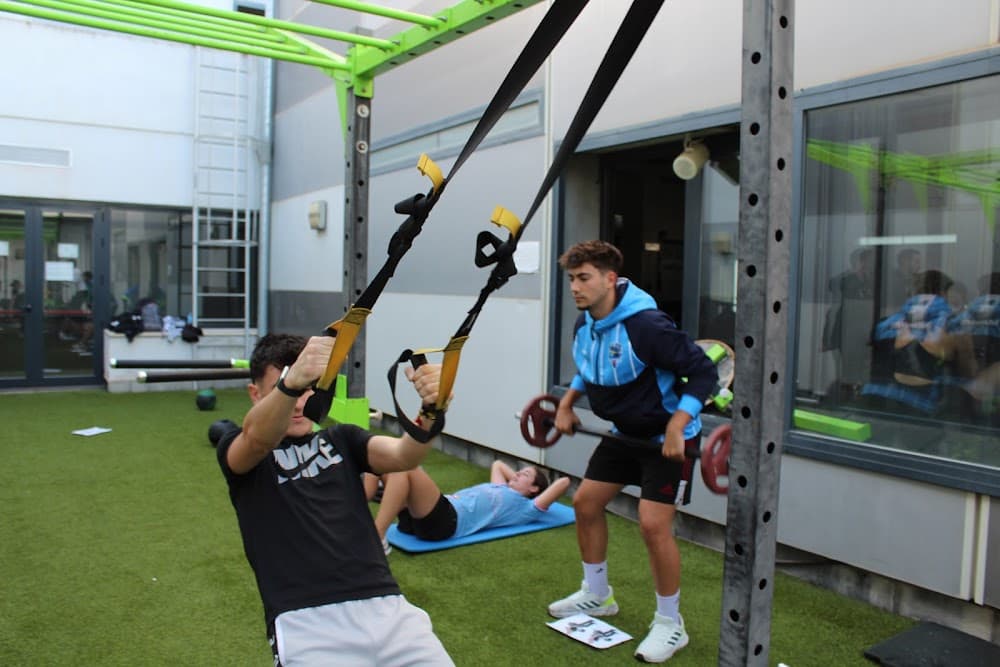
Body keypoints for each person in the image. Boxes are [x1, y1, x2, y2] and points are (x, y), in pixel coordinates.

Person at [216, 333, 454, 666]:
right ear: (255, 395)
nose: (300, 403)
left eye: (309, 388)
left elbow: (404, 455)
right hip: (306, 624)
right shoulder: (241, 449)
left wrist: (431, 411)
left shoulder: (342, 437)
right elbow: (255, 438)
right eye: (286, 390)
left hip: (388, 609)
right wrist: (293, 383)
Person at [547, 240, 718, 664]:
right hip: (625, 433)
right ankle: (597, 594)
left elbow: (703, 372)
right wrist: (567, 404)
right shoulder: (585, 324)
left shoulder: (648, 326)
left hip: (667, 441)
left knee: (652, 525)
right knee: (585, 503)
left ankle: (669, 624)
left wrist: (679, 425)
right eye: (571, 279)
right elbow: (590, 369)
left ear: (610, 278)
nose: (575, 288)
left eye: (583, 278)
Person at [368, 461, 571, 550]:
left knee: (408, 467)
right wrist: (517, 481)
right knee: (391, 465)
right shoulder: (500, 486)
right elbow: (497, 464)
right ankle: (374, 498)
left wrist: (528, 492)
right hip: (418, 521)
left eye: (524, 475)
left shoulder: (525, 509)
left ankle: (378, 536)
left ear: (535, 489)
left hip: (446, 521)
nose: (517, 473)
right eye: (518, 471)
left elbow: (564, 482)